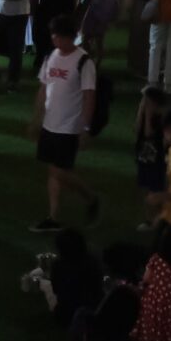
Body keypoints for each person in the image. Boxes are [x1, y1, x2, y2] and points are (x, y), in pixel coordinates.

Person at [31, 24, 101, 232]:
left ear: (70, 37)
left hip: (69, 127)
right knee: (54, 171)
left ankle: (90, 197)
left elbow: (89, 96)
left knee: (58, 171)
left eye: (58, 37)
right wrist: (37, 118)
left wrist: (85, 128)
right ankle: (53, 217)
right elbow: (44, 88)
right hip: (49, 124)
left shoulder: (84, 62)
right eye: (54, 37)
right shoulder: (51, 56)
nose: (55, 41)